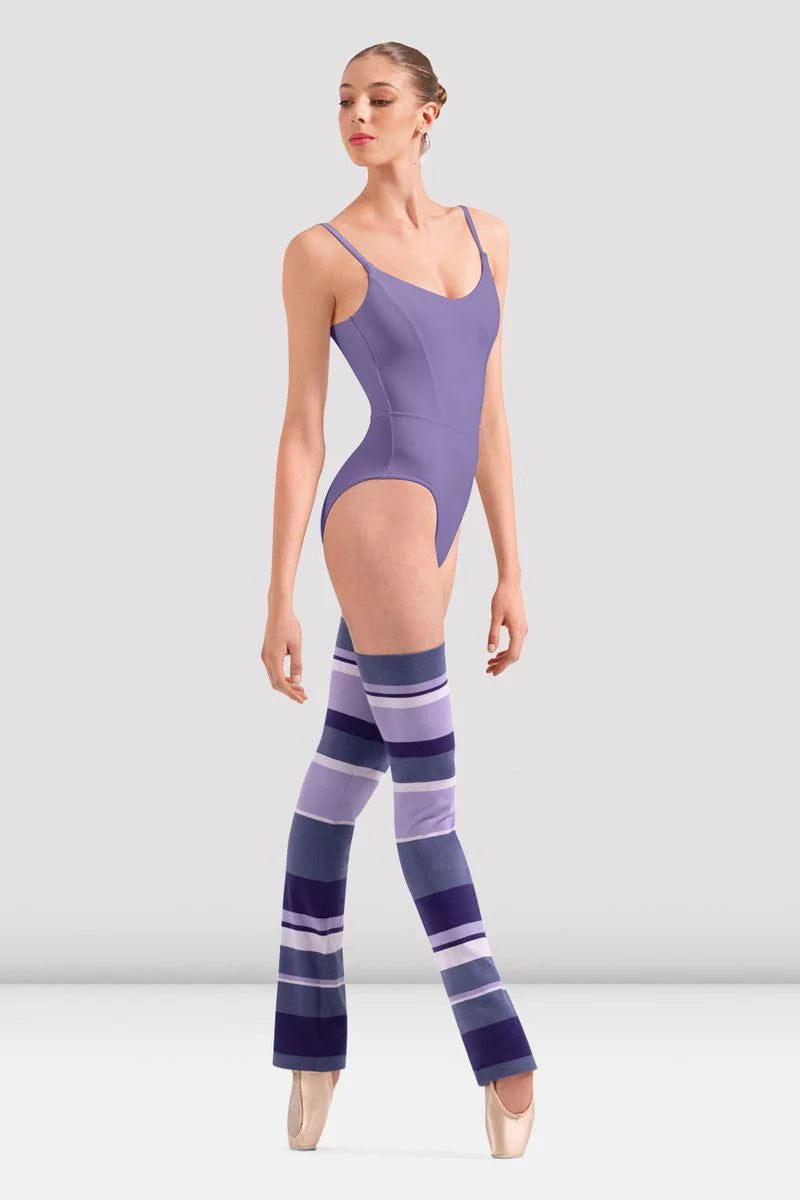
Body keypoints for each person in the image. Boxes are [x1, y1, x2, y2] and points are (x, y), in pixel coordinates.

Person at [261, 41, 537, 1157]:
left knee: (337, 787)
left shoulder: (488, 236)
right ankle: (505, 1062)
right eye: (343, 101)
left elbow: (487, 414)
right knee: (428, 809)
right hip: (376, 514)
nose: (356, 116)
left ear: (430, 113)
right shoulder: (318, 252)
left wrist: (512, 564)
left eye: (379, 98)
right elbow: (302, 428)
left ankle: (310, 1049)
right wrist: (278, 593)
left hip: (447, 527)